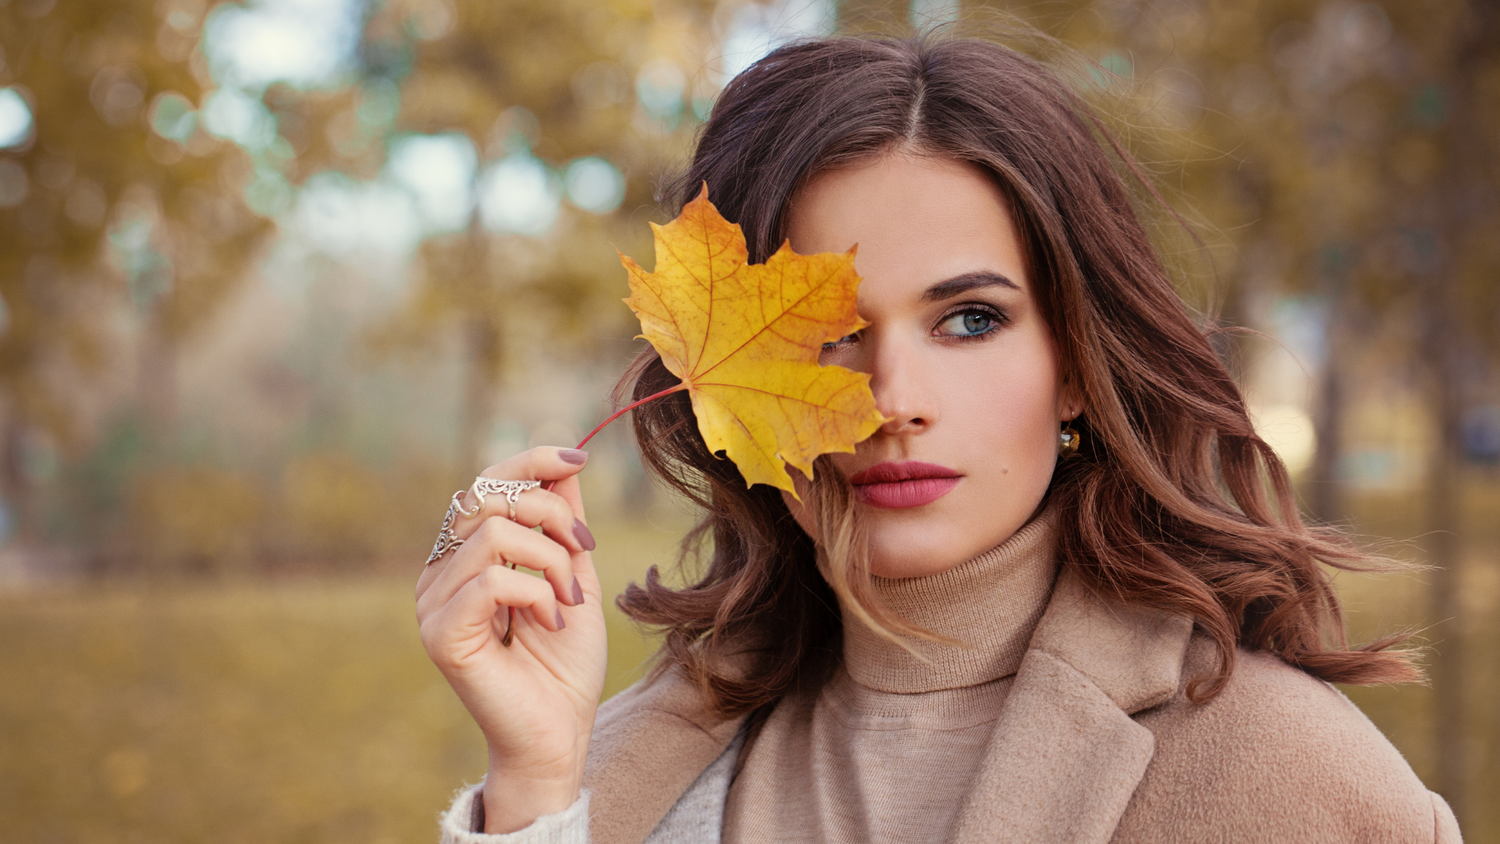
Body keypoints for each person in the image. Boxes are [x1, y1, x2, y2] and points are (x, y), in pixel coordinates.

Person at [414, 32, 1462, 844]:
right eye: (829, 336)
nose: (892, 399)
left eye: (971, 319)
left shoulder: (1297, 780)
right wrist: (539, 788)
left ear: (1076, 372)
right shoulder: (623, 770)